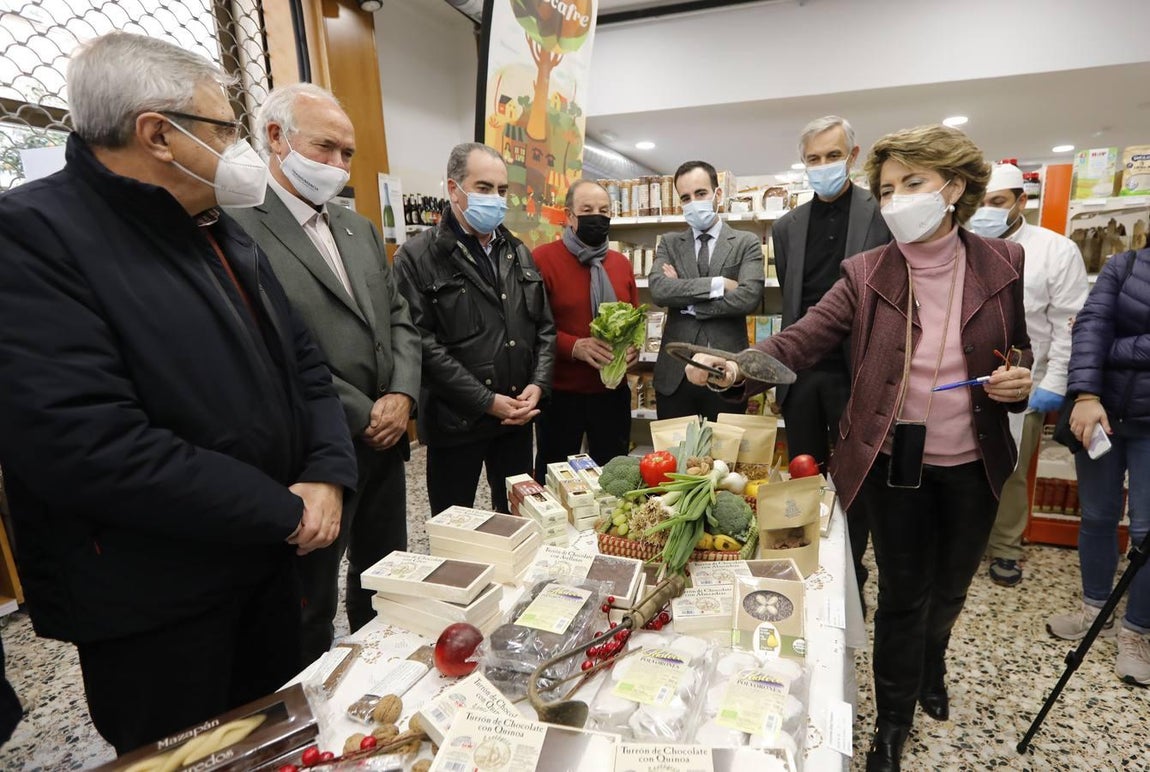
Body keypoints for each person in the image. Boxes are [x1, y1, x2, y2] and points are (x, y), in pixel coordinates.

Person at [0, 33, 356, 754]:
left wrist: (325, 472)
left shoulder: (215, 228)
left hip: (268, 566)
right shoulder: (32, 237)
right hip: (157, 605)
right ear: (159, 135)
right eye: (225, 128)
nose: (239, 147)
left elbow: (305, 367)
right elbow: (88, 445)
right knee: (186, 756)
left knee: (277, 741)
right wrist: (284, 509)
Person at [686, 125, 1033, 772]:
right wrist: (739, 367)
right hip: (893, 464)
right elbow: (802, 337)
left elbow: (1016, 349)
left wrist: (1019, 379)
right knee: (903, 594)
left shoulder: (1002, 263)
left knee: (951, 590)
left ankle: (934, 661)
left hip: (975, 463)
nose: (896, 200)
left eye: (913, 183)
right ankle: (893, 721)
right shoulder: (868, 271)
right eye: (888, 188)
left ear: (954, 187)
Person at [229, 83, 421, 666]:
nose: (338, 164)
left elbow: (398, 316)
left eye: (348, 153)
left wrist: (403, 394)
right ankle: (309, 697)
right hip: (313, 450)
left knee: (385, 576)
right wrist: (365, 412)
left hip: (386, 441)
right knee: (309, 600)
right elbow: (269, 346)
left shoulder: (357, 229)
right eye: (325, 148)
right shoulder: (237, 228)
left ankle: (381, 670)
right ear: (276, 137)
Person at [395, 143, 555, 514]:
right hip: (455, 423)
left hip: (516, 417)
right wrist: (486, 401)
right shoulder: (417, 257)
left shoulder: (518, 252)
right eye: (484, 188)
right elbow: (421, 344)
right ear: (454, 189)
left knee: (518, 519)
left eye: (502, 190)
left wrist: (538, 384)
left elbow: (544, 327)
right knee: (456, 525)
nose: (495, 199)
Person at [772, 115, 891, 605]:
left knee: (854, 483)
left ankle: (851, 575)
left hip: (857, 372)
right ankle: (808, 566)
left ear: (853, 156)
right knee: (805, 476)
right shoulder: (786, 227)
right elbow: (792, 300)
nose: (823, 166)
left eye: (833, 156)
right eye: (814, 159)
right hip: (801, 373)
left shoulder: (881, 214)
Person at [969, 163, 1089, 587]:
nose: (986, 210)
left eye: (997, 202)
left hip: (1027, 381)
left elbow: (1070, 323)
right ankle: (964, 541)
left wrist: (1053, 383)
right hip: (966, 381)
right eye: (980, 202)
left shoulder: (1055, 250)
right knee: (961, 463)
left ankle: (1005, 546)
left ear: (1021, 201)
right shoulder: (961, 245)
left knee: (1012, 469)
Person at [1048, 246, 1150, 686]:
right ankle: (1095, 611)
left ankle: (1136, 633)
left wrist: (1113, 346)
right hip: (1101, 412)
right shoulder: (1126, 264)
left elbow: (1095, 335)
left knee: (1146, 533)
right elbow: (1090, 325)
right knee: (1097, 516)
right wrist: (1086, 395)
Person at [533, 180, 638, 477]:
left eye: (604, 210)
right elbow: (531, 327)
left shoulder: (620, 264)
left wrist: (633, 348)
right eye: (587, 210)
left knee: (614, 474)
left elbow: (633, 320)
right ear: (569, 215)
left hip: (612, 393)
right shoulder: (543, 259)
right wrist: (574, 347)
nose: (597, 217)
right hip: (561, 393)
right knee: (554, 475)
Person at [649, 160, 765, 420]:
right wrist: (719, 284)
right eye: (685, 198)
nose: (693, 203)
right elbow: (659, 290)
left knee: (726, 447)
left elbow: (749, 298)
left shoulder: (745, 242)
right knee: (673, 446)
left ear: (717, 194)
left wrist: (687, 300)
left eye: (700, 193)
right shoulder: (669, 243)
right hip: (675, 374)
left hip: (727, 369)